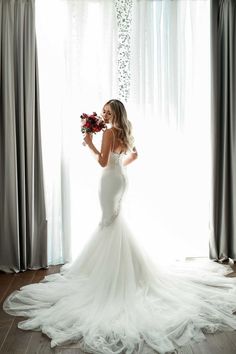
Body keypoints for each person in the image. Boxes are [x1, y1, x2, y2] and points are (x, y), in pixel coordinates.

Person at [3, 99, 236, 354]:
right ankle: (121, 269)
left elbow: (102, 162)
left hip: (109, 181)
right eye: (102, 111)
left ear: (115, 114)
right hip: (121, 180)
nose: (103, 115)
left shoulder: (109, 132)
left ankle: (110, 274)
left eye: (107, 112)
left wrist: (89, 144)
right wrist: (118, 166)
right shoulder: (126, 130)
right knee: (113, 223)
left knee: (108, 223)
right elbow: (133, 155)